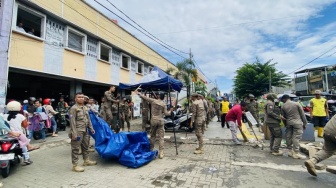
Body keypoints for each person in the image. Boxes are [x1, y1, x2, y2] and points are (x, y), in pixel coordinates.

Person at [134, 89, 172, 159]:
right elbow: (167, 114)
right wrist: (170, 111)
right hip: (160, 120)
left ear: (158, 96)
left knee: (153, 136)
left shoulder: (153, 101)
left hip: (154, 120)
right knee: (161, 137)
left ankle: (151, 149)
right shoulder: (164, 104)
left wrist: (138, 93)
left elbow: (145, 98)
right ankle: (161, 153)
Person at [69, 92, 96, 172]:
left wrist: (91, 128)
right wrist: (74, 133)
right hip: (78, 131)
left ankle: (86, 160)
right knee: (75, 148)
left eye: (82, 97)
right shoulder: (73, 108)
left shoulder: (84, 108)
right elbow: (72, 122)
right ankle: (75, 165)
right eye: (79, 97)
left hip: (85, 130)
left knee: (85, 146)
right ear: (75, 99)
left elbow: (88, 119)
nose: (81, 98)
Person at [281, 94, 307, 159]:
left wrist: (285, 124)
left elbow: (283, 117)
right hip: (297, 122)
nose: (282, 101)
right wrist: (304, 123)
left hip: (289, 123)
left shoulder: (283, 106)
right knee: (296, 137)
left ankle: (289, 150)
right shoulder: (297, 104)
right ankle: (296, 152)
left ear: (284, 99)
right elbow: (302, 114)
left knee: (288, 136)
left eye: (282, 100)